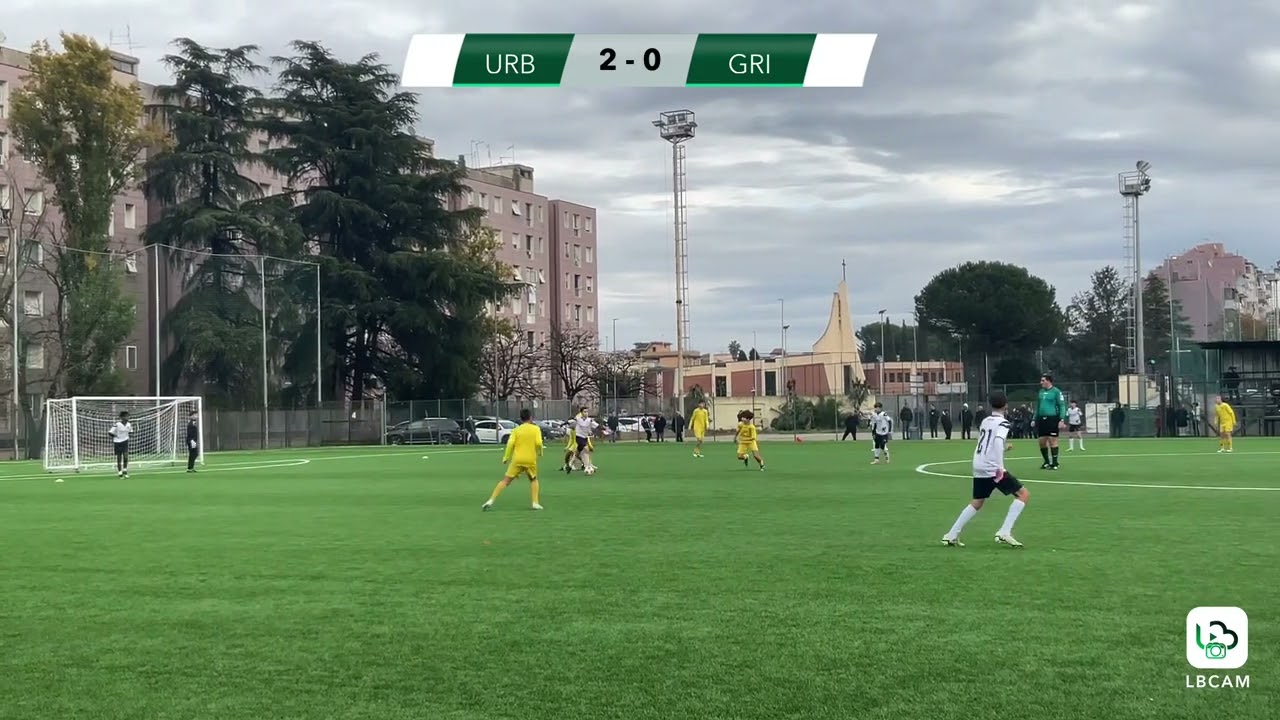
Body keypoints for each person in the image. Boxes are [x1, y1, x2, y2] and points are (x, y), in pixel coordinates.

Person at [942, 392, 1029, 548]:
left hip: (978, 462)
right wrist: (1000, 467)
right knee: (1023, 494)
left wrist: (1003, 449)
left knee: (977, 501)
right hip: (992, 467)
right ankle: (1004, 531)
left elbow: (988, 442)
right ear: (1006, 405)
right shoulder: (1003, 423)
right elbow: (996, 441)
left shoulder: (985, 421)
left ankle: (951, 534)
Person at [483, 408, 544, 511]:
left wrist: (506, 457)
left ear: (521, 419)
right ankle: (535, 503)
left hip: (517, 459)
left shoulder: (516, 430)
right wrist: (540, 452)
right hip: (530, 460)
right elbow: (538, 443)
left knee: (505, 481)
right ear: (531, 417)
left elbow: (510, 444)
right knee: (533, 480)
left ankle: (491, 500)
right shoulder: (536, 429)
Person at [1035, 374, 1065, 469]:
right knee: (1042, 441)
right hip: (1041, 419)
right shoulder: (1041, 392)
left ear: (1048, 381)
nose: (1041, 382)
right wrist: (1034, 418)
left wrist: (1061, 419)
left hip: (1052, 419)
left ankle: (1055, 463)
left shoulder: (1056, 392)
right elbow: (1037, 406)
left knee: (1052, 440)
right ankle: (1046, 462)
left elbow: (1062, 406)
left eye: (1043, 380)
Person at [109, 410, 132, 477]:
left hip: (125, 441)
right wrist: (116, 436)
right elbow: (110, 432)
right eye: (126, 416)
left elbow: (130, 431)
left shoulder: (129, 424)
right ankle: (119, 471)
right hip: (117, 442)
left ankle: (125, 469)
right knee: (119, 457)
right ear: (122, 417)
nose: (127, 418)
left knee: (126, 456)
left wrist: (130, 434)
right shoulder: (117, 424)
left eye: (128, 416)